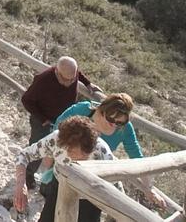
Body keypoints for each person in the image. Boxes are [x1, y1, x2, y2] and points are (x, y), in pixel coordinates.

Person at [54, 93, 163, 207]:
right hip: (66, 167)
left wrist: (149, 190)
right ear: (103, 109)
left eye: (120, 122)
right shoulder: (84, 110)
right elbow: (58, 127)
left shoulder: (125, 129)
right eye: (111, 119)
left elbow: (137, 158)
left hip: (94, 179)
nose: (114, 124)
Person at [13, 116, 116, 222]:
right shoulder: (56, 139)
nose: (79, 160)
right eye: (74, 153)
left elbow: (116, 183)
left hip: (90, 197)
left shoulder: (102, 151)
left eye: (84, 156)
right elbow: (24, 155)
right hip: (59, 187)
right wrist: (21, 184)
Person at [20, 57, 101, 189]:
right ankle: (28, 175)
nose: (69, 83)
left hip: (63, 119)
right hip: (43, 120)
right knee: (39, 146)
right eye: (65, 79)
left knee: (62, 149)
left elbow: (78, 73)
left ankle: (50, 183)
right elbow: (26, 100)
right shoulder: (43, 80)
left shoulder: (71, 74)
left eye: (72, 79)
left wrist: (88, 84)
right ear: (57, 72)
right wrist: (43, 119)